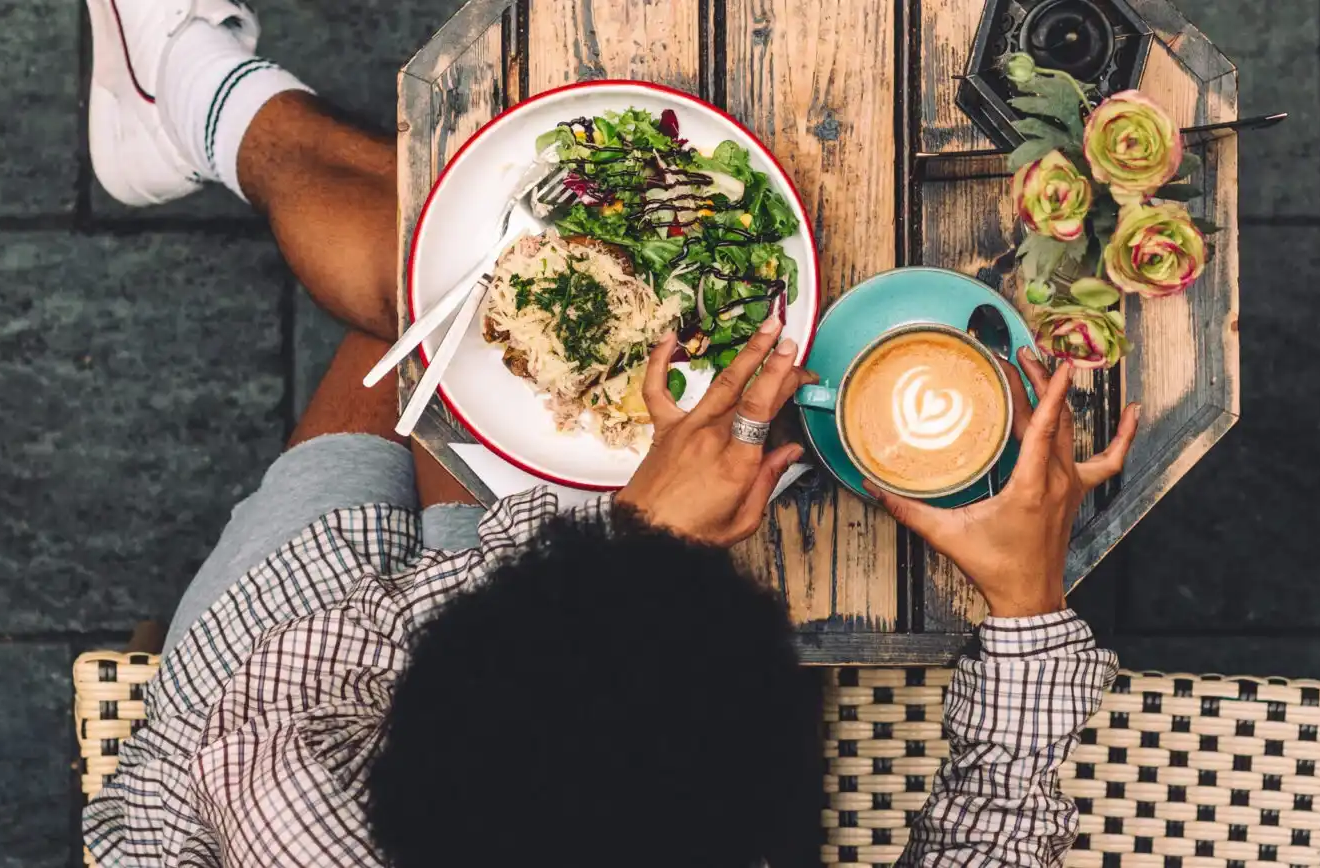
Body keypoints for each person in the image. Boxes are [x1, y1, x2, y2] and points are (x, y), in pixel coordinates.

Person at [78, 1, 1141, 866]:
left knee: (427, 290)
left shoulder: (287, 808)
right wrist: (1026, 609)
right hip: (481, 695)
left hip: (277, 679)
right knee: (445, 298)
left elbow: (276, 697)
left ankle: (199, 102)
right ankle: (199, 107)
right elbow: (987, 833)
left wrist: (634, 540)